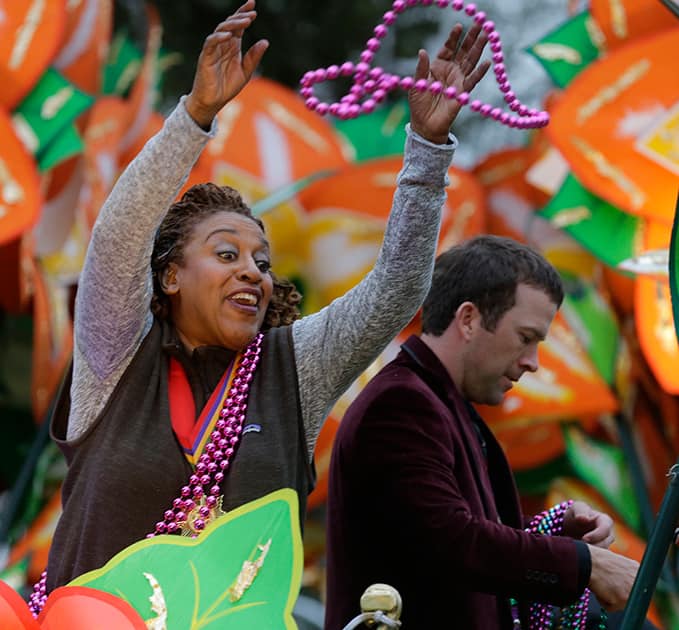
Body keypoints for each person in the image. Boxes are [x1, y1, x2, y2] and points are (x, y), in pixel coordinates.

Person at [39, 0, 492, 601]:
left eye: (262, 262)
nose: (254, 273)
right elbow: (120, 234)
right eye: (227, 255)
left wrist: (428, 150)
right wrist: (196, 115)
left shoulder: (294, 371)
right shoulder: (116, 353)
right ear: (169, 277)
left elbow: (396, 291)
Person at [324, 235, 642, 630]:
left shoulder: (435, 399)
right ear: (469, 319)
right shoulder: (400, 404)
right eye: (526, 338)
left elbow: (449, 537)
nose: (533, 363)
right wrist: (584, 564)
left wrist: (553, 532)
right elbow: (451, 542)